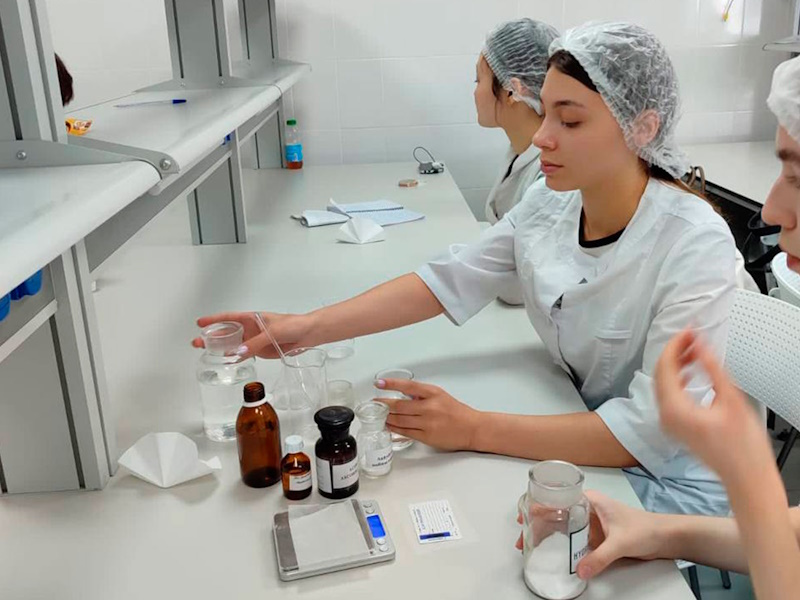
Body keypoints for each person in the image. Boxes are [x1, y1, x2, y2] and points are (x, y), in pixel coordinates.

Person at [192, 22, 737, 516]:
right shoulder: (553, 202)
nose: (542, 136)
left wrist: (473, 428)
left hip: (665, 483)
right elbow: (444, 281)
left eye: (570, 120)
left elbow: (647, 433)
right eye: (545, 112)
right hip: (573, 433)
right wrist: (302, 328)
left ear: (643, 128)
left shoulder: (693, 246)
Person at [518, 55, 800, 600]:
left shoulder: (690, 236)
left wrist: (745, 474)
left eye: (795, 176)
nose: (768, 211)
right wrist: (655, 532)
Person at [476, 18, 558, 225]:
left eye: (478, 80)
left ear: (512, 90)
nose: (475, 92)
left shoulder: (549, 175)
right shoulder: (520, 148)